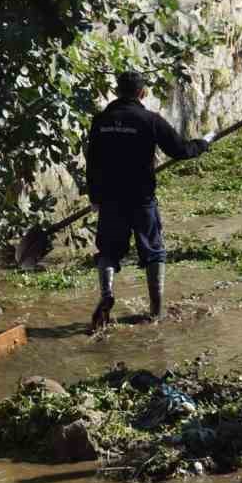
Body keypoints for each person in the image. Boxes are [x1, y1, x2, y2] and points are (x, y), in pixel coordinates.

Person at [84, 72, 212, 331]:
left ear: (117, 91)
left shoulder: (100, 120)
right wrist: (203, 143)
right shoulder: (149, 120)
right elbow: (180, 150)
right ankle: (156, 312)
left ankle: (107, 293)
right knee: (154, 251)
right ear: (142, 93)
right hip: (141, 198)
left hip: (110, 199)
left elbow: (93, 161)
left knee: (108, 251)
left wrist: (94, 196)